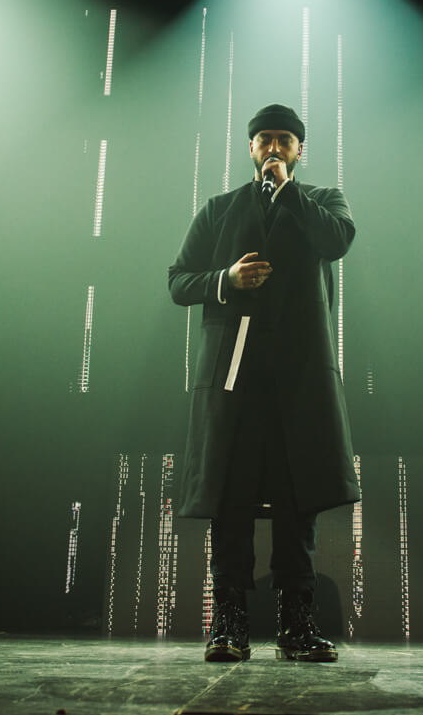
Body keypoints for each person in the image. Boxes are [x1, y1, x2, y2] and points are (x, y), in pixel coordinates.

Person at [167, 103, 359, 662]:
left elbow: (338, 241)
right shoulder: (219, 209)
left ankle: (297, 626)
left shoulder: (323, 201)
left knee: (298, 505)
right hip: (235, 376)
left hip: (300, 378)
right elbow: (178, 281)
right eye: (265, 139)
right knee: (231, 501)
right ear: (250, 147)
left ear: (299, 150)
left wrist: (289, 192)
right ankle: (228, 625)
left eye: (285, 140)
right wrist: (226, 278)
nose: (274, 148)